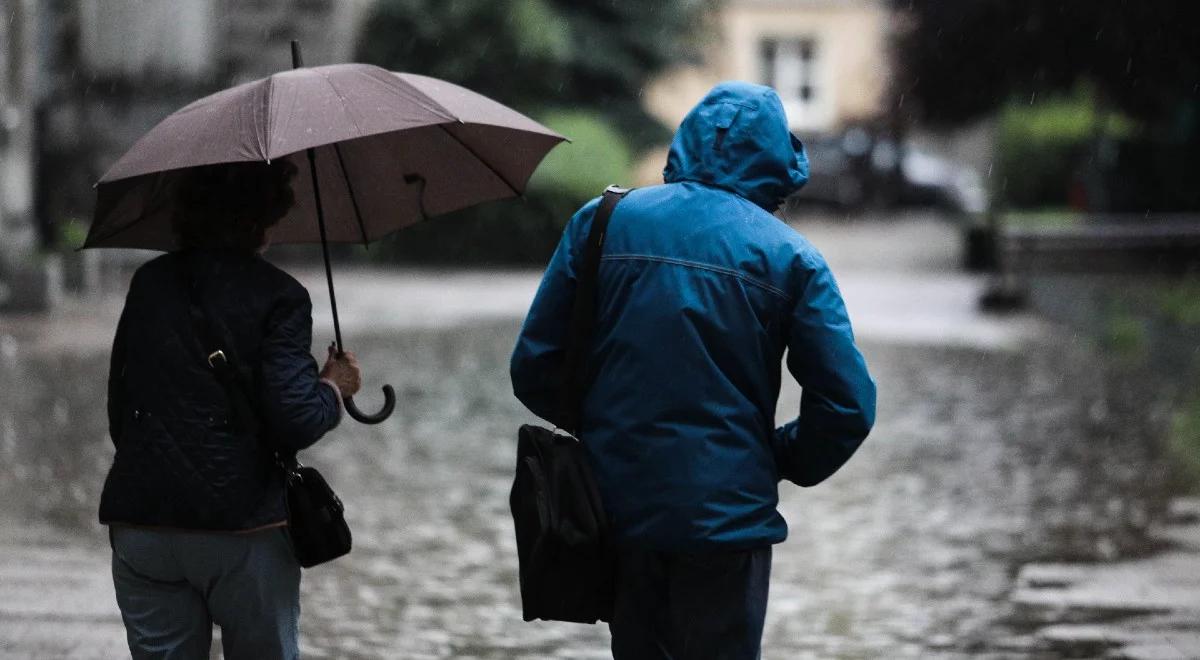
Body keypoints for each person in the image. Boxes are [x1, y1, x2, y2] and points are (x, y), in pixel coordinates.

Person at [510, 82, 877, 659]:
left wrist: (612, 433)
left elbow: (534, 366)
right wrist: (777, 457)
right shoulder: (792, 258)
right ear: (778, 162)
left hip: (621, 515)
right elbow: (847, 406)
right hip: (729, 523)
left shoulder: (602, 221)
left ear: (685, 142)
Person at [99, 160, 361, 659]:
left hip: (142, 521)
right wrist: (332, 385)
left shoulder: (148, 284)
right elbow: (297, 419)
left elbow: (121, 407)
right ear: (263, 216)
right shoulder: (282, 297)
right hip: (244, 527)